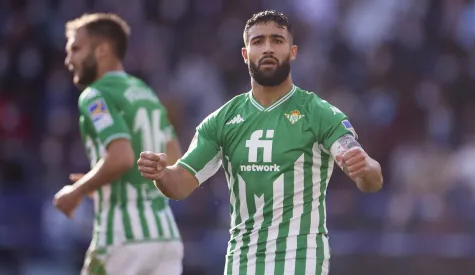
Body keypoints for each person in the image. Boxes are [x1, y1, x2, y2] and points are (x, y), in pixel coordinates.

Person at [138, 10, 383, 275]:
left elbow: (370, 177)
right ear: (245, 54)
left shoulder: (318, 113)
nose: (267, 48)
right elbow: (180, 184)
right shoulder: (222, 120)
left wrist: (365, 168)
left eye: (277, 40)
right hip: (241, 264)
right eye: (258, 41)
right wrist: (161, 174)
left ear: (293, 52)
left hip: (300, 263)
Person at [53, 13, 184, 275]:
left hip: (122, 240)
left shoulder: (96, 94)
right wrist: (104, 182)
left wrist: (76, 191)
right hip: (165, 238)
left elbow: (122, 157)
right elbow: (175, 161)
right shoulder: (146, 93)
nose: (69, 60)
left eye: (76, 49)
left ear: (101, 50)